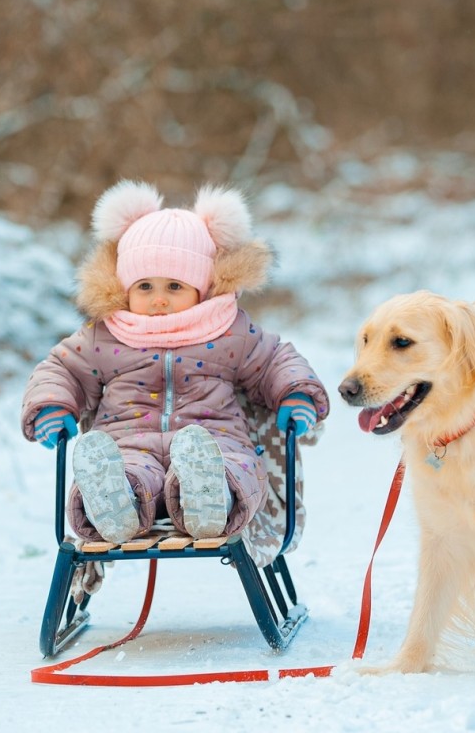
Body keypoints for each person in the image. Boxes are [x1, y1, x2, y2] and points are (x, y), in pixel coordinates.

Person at [21, 180, 329, 543]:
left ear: (201, 288)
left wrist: (296, 392)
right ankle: (115, 501)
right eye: (145, 287)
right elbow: (63, 369)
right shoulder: (105, 334)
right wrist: (51, 405)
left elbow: (275, 360)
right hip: (128, 446)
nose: (159, 300)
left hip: (215, 442)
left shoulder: (227, 329)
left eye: (175, 287)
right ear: (124, 287)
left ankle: (213, 497)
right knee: (127, 471)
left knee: (240, 467)